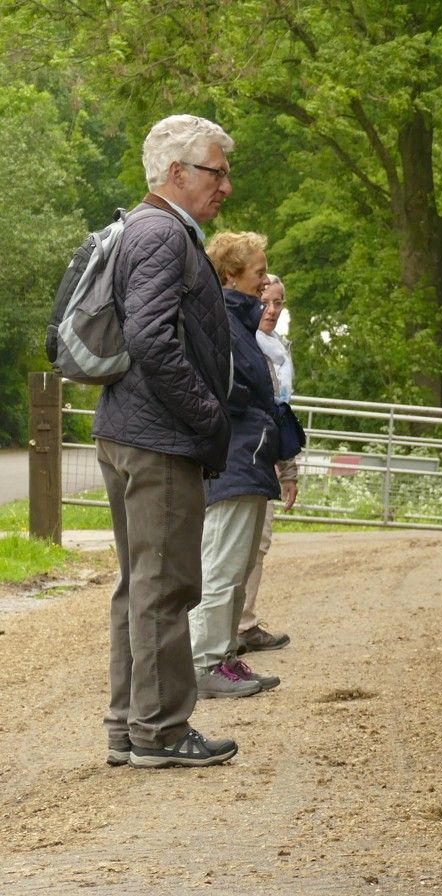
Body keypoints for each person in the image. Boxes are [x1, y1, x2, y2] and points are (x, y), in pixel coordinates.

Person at [93, 114, 239, 769]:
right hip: (159, 440)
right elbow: (152, 338)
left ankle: (130, 726)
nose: (226, 186)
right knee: (165, 587)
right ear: (176, 172)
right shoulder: (160, 234)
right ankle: (160, 731)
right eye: (217, 170)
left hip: (134, 430)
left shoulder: (146, 228)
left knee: (142, 586)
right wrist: (207, 415)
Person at [189, 232, 283, 699]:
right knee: (222, 568)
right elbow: (229, 392)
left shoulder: (239, 326)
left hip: (249, 458)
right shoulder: (222, 326)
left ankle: (224, 656)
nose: (265, 284)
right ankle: (204, 662)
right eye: (259, 274)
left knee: (237, 566)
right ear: (230, 276)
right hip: (234, 461)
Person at [237, 274, 294, 653]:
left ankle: (243, 622)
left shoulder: (279, 350)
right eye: (265, 301)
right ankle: (229, 629)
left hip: (267, 458)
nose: (271, 310)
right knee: (234, 543)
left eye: (278, 303)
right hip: (241, 457)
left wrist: (288, 468)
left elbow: (283, 411)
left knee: (259, 543)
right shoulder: (242, 342)